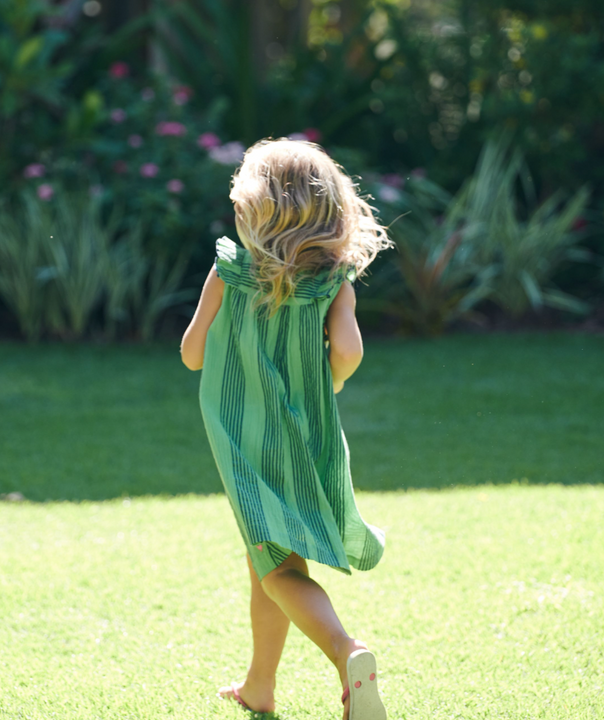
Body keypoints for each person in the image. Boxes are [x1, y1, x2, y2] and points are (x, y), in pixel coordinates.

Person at [180, 138, 391, 720]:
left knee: (277, 566)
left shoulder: (229, 270)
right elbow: (348, 351)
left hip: (241, 439)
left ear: (255, 208)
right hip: (305, 435)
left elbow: (192, 354)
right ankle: (259, 687)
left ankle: (348, 651)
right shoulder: (333, 283)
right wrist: (333, 378)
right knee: (266, 559)